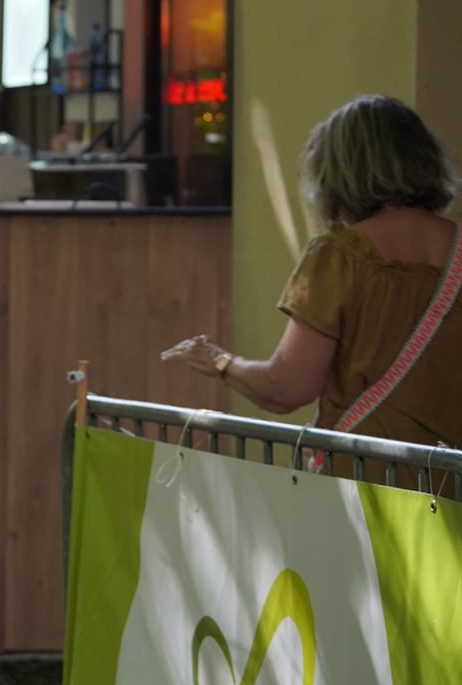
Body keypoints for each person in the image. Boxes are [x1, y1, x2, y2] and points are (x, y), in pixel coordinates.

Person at [163, 94, 459, 449]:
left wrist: (221, 362)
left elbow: (286, 388)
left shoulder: (340, 255)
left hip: (369, 483)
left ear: (340, 172)